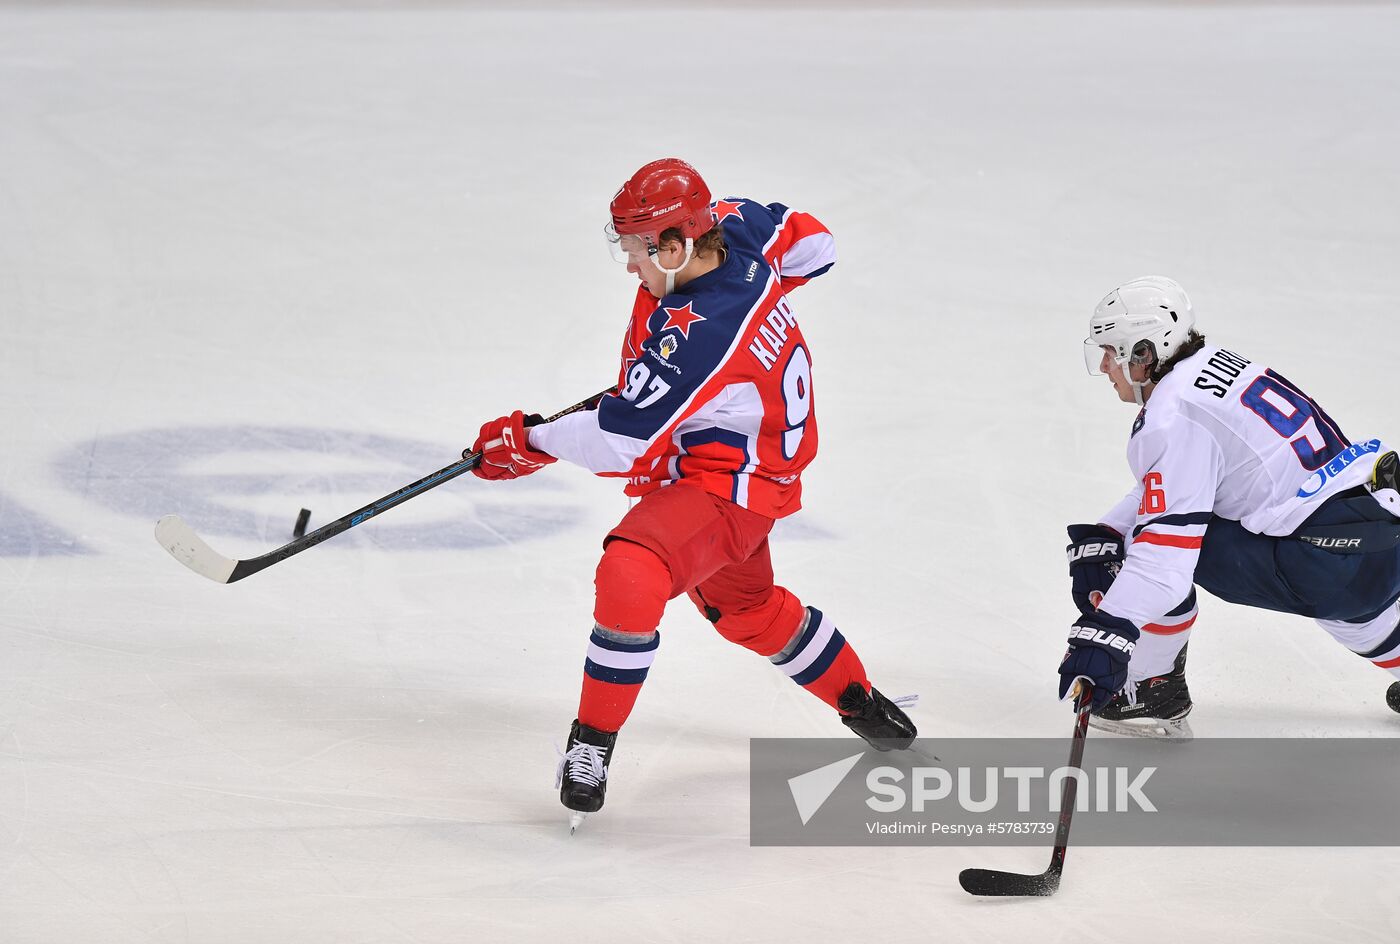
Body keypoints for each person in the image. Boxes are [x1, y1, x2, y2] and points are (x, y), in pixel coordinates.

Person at [468, 158, 916, 826]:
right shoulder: (735, 229)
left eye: (637, 251)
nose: (629, 266)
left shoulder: (701, 334)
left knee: (631, 569)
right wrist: (765, 293)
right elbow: (815, 244)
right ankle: (866, 707)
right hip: (753, 475)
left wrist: (528, 442)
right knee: (749, 610)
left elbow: (620, 441)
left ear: (677, 246)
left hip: (724, 486)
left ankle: (590, 744)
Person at [1059, 276, 1400, 739]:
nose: (1104, 366)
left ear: (1144, 354)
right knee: (1362, 604)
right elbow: (1192, 483)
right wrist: (1107, 529)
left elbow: (1164, 560)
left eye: (1112, 352)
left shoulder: (1171, 417)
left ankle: (1153, 688)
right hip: (1373, 531)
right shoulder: (1215, 365)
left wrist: (1111, 626)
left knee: (1148, 543)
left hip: (1321, 559)